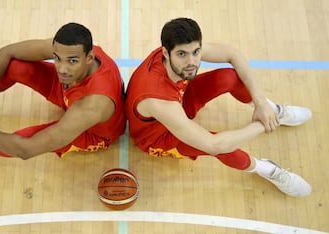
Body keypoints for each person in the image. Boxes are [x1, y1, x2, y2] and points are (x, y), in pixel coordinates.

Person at [125, 17, 312, 197]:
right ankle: (268, 169)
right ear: (165, 52)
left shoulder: (180, 52)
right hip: (158, 137)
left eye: (196, 52)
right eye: (182, 54)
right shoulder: (158, 100)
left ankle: (273, 110)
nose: (192, 62)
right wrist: (263, 125)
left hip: (179, 101)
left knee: (229, 77)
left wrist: (262, 104)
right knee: (223, 145)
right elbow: (214, 145)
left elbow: (232, 53)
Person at [0, 22, 125, 160]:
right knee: (15, 66)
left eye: (72, 61)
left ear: (90, 57)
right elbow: (6, 52)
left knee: (22, 140)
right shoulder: (71, 48)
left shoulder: (95, 105)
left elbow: (26, 150)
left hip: (90, 131)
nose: (61, 68)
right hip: (68, 94)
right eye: (56, 58)